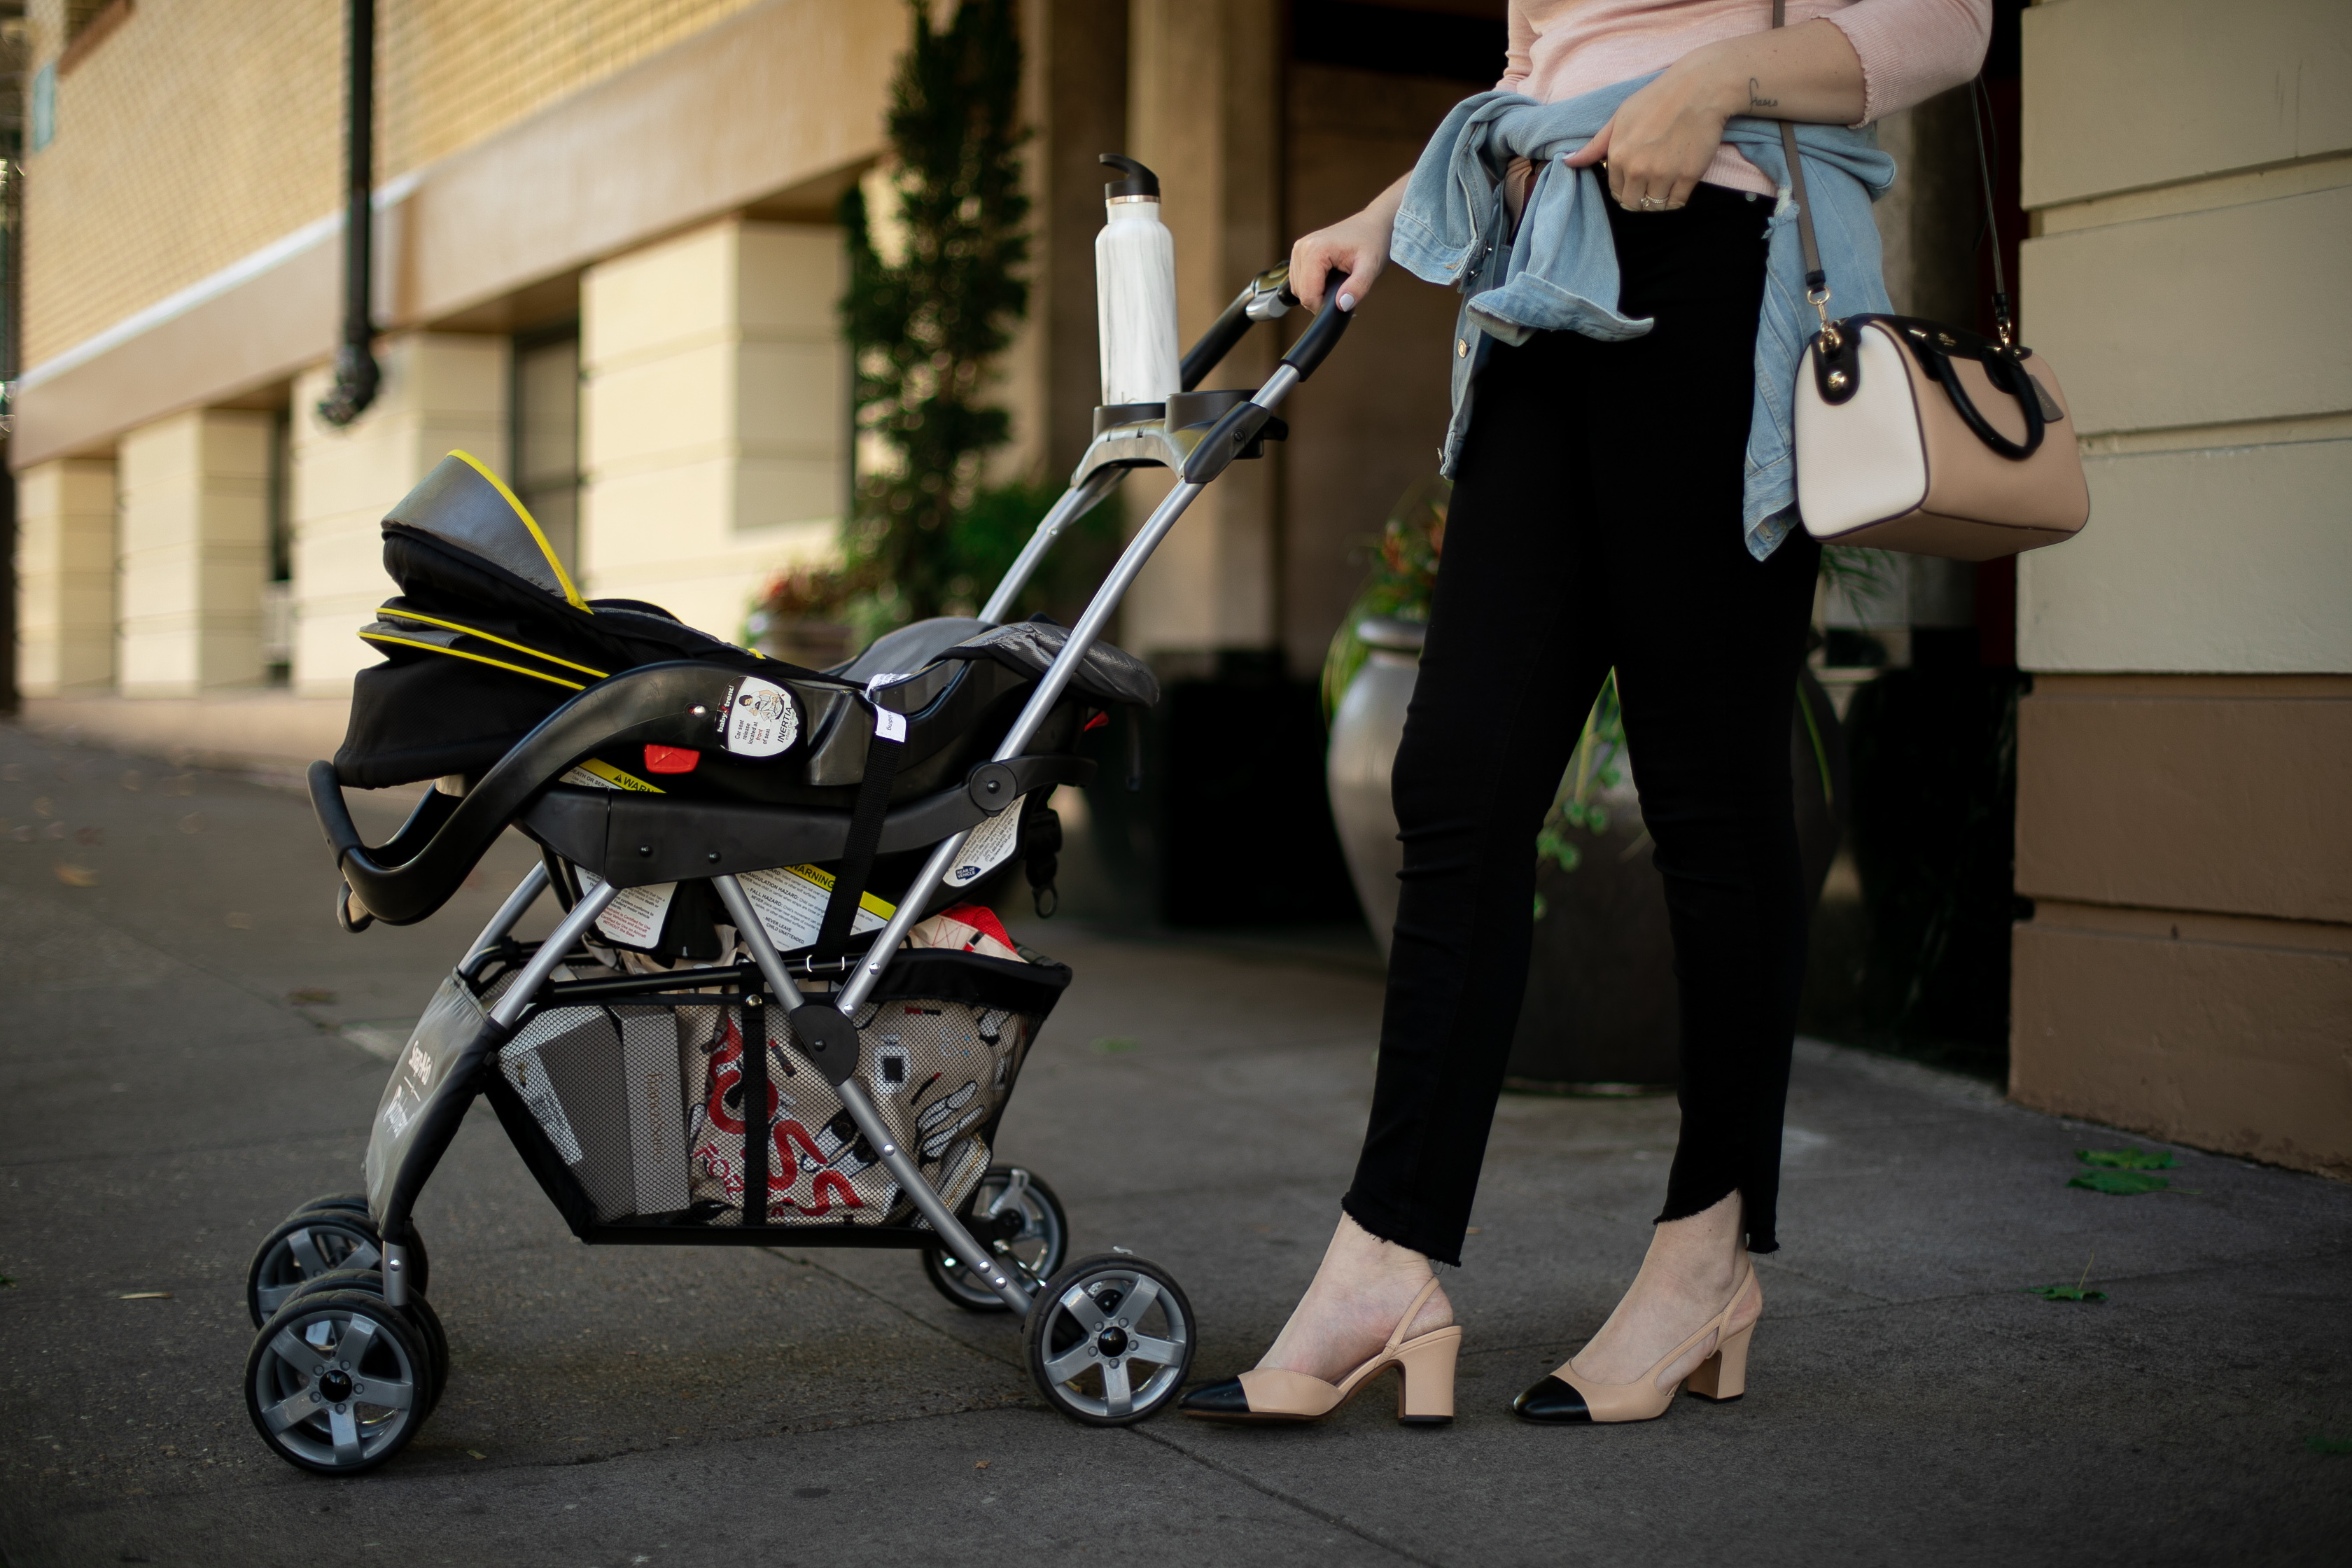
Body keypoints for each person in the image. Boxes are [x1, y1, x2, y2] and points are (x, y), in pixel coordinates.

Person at [1180, 0, 1992, 1427]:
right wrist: (1387, 210)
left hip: (1725, 265)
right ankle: (1387, 1259)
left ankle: (1707, 1259)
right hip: (1545, 283)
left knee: (1708, 790)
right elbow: (1543, 62)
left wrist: (1717, 79)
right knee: (1459, 777)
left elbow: (1943, 25)